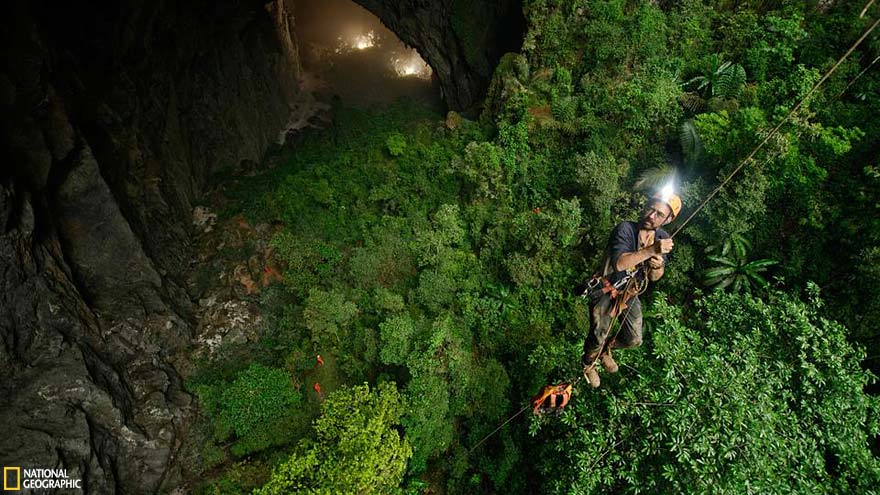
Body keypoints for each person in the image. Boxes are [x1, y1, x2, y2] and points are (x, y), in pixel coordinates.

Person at [581, 190, 681, 388]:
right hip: (606, 288)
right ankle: (588, 363)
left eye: (659, 214)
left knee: (634, 339)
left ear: (668, 219)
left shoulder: (662, 237)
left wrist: (657, 265)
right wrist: (651, 250)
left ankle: (605, 350)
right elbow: (619, 264)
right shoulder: (626, 229)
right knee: (598, 333)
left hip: (629, 291)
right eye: (650, 209)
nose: (651, 216)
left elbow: (655, 277)